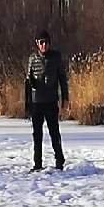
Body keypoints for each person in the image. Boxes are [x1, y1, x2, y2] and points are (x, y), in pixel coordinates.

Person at [25, 29, 69, 172]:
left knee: (54, 132)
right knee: (37, 134)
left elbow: (62, 78)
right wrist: (27, 103)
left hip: (50, 100)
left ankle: (59, 160)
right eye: (41, 42)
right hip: (36, 101)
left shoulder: (56, 57)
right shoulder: (32, 59)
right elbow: (27, 81)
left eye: (46, 42)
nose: (44, 45)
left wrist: (65, 98)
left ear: (49, 43)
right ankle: (37, 163)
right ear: (37, 44)